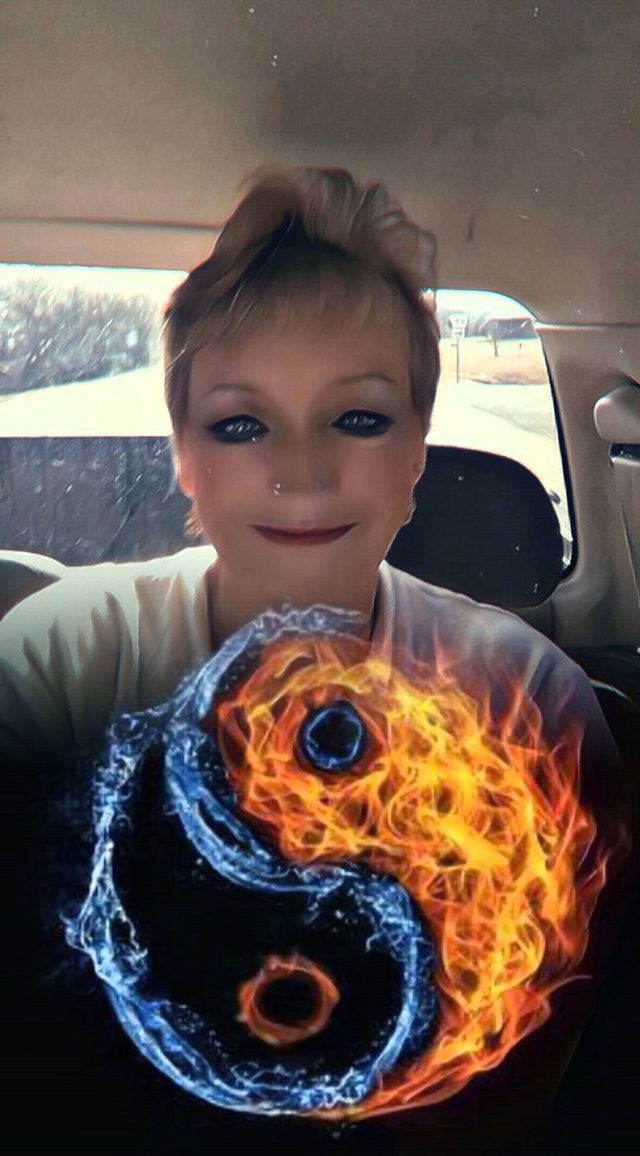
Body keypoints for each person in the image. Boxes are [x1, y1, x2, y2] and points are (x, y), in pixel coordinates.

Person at [0, 165, 633, 1154]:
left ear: (417, 451)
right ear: (184, 456)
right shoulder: (57, 661)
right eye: (241, 424)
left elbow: (532, 1060)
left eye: (359, 418)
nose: (301, 471)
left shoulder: (524, 696)